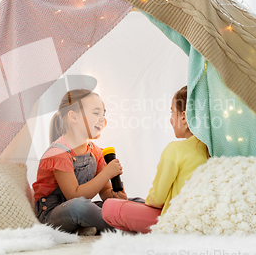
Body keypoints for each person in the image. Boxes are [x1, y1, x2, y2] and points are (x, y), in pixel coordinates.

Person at [101, 86, 209, 233]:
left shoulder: (175, 149)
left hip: (176, 222)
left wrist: (150, 202)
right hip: (204, 219)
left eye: (172, 112)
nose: (171, 119)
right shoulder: (211, 149)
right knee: (134, 202)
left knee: (109, 207)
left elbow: (156, 200)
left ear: (184, 117)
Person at [32, 89, 127, 236]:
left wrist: (115, 196)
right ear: (73, 117)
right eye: (96, 113)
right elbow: (74, 196)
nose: (103, 119)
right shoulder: (58, 153)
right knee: (79, 207)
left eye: (104, 114)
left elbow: (104, 191)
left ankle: (83, 228)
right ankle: (126, 227)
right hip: (51, 215)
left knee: (131, 203)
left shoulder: (96, 152)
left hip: (79, 208)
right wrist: (107, 172)